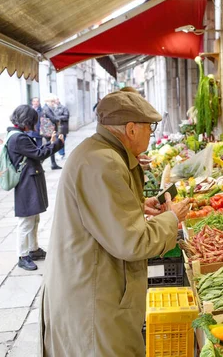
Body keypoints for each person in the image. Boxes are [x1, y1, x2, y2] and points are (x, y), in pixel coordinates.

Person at [40, 87, 190, 356]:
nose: (150, 134)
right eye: (149, 127)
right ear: (131, 129)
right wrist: (171, 217)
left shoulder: (98, 151)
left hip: (91, 283)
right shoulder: (104, 163)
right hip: (94, 297)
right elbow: (132, 241)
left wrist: (135, 204)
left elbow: (100, 212)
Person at [6, 105, 63, 270]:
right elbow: (39, 154)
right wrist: (57, 144)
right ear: (27, 121)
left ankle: (34, 249)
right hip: (26, 183)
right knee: (26, 221)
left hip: (29, 180)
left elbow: (35, 154)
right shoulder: (19, 138)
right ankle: (23, 255)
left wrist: (50, 144)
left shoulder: (17, 135)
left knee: (34, 218)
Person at [41, 95, 61, 170]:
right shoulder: (46, 108)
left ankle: (53, 163)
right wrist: (58, 119)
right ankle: (41, 162)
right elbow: (52, 118)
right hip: (48, 131)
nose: (53, 103)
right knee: (49, 146)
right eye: (52, 101)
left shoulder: (48, 108)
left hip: (49, 130)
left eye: (53, 101)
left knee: (51, 146)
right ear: (48, 101)